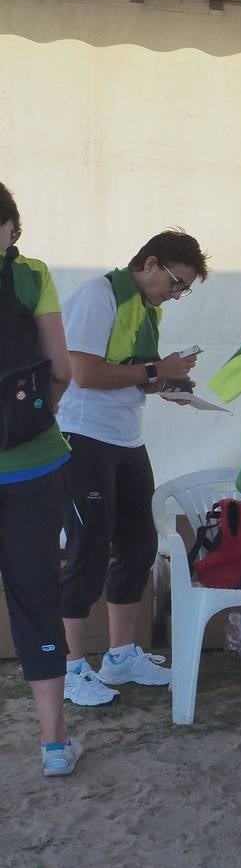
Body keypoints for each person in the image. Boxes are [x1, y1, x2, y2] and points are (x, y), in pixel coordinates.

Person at [59, 229, 206, 707]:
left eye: (184, 288)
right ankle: (70, 667)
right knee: (87, 549)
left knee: (138, 544)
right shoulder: (97, 294)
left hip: (126, 438)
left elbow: (132, 374)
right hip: (84, 437)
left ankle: (120, 655)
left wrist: (168, 384)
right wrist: (154, 372)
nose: (176, 294)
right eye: (176, 283)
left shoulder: (147, 309)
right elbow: (83, 371)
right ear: (150, 263)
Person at [0, 182, 80, 775]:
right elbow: (61, 369)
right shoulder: (30, 274)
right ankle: (53, 745)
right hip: (34, 464)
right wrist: (36, 419)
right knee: (35, 598)